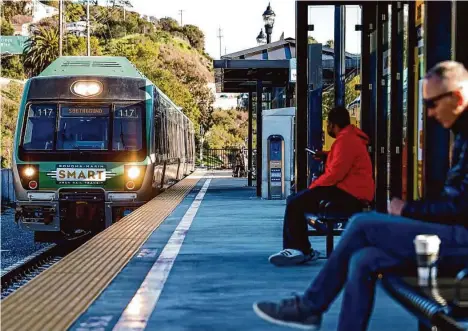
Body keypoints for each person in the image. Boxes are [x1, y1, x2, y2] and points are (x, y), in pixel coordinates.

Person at [253, 60, 468, 331]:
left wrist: (407, 210)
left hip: (460, 240)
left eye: (432, 104)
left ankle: (309, 306)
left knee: (361, 225)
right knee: (363, 259)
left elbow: (461, 206)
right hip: (451, 236)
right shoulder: (460, 133)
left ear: (457, 97)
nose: (431, 114)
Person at [269, 106, 374, 266]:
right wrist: (326, 155)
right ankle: (302, 249)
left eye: (328, 124)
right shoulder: (350, 138)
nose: (327, 128)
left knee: (295, 202)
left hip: (349, 194)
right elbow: (343, 161)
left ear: (333, 124)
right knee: (296, 200)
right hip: (350, 190)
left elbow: (336, 174)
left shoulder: (346, 140)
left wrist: (314, 187)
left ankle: (298, 249)